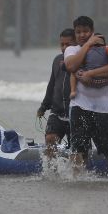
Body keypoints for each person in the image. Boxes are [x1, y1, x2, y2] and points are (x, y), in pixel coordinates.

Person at [64, 16, 108, 177]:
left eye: (86, 31)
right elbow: (71, 65)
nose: (82, 35)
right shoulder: (72, 50)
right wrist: (88, 44)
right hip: (79, 105)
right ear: (75, 34)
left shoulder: (105, 48)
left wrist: (90, 73)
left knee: (106, 146)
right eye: (78, 32)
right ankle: (76, 180)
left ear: (92, 31)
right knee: (78, 145)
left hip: (104, 107)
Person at [37, 28, 75, 159]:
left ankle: (74, 175)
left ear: (75, 44)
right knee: (50, 139)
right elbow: (52, 85)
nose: (64, 48)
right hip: (57, 111)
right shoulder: (56, 60)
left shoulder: (81, 61)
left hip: (75, 112)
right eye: (62, 44)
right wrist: (43, 106)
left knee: (76, 148)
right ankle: (53, 175)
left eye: (68, 44)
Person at [69, 32, 108, 107]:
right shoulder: (107, 48)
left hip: (88, 80)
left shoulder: (87, 49)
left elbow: (80, 63)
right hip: (103, 81)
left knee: (73, 72)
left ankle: (73, 91)